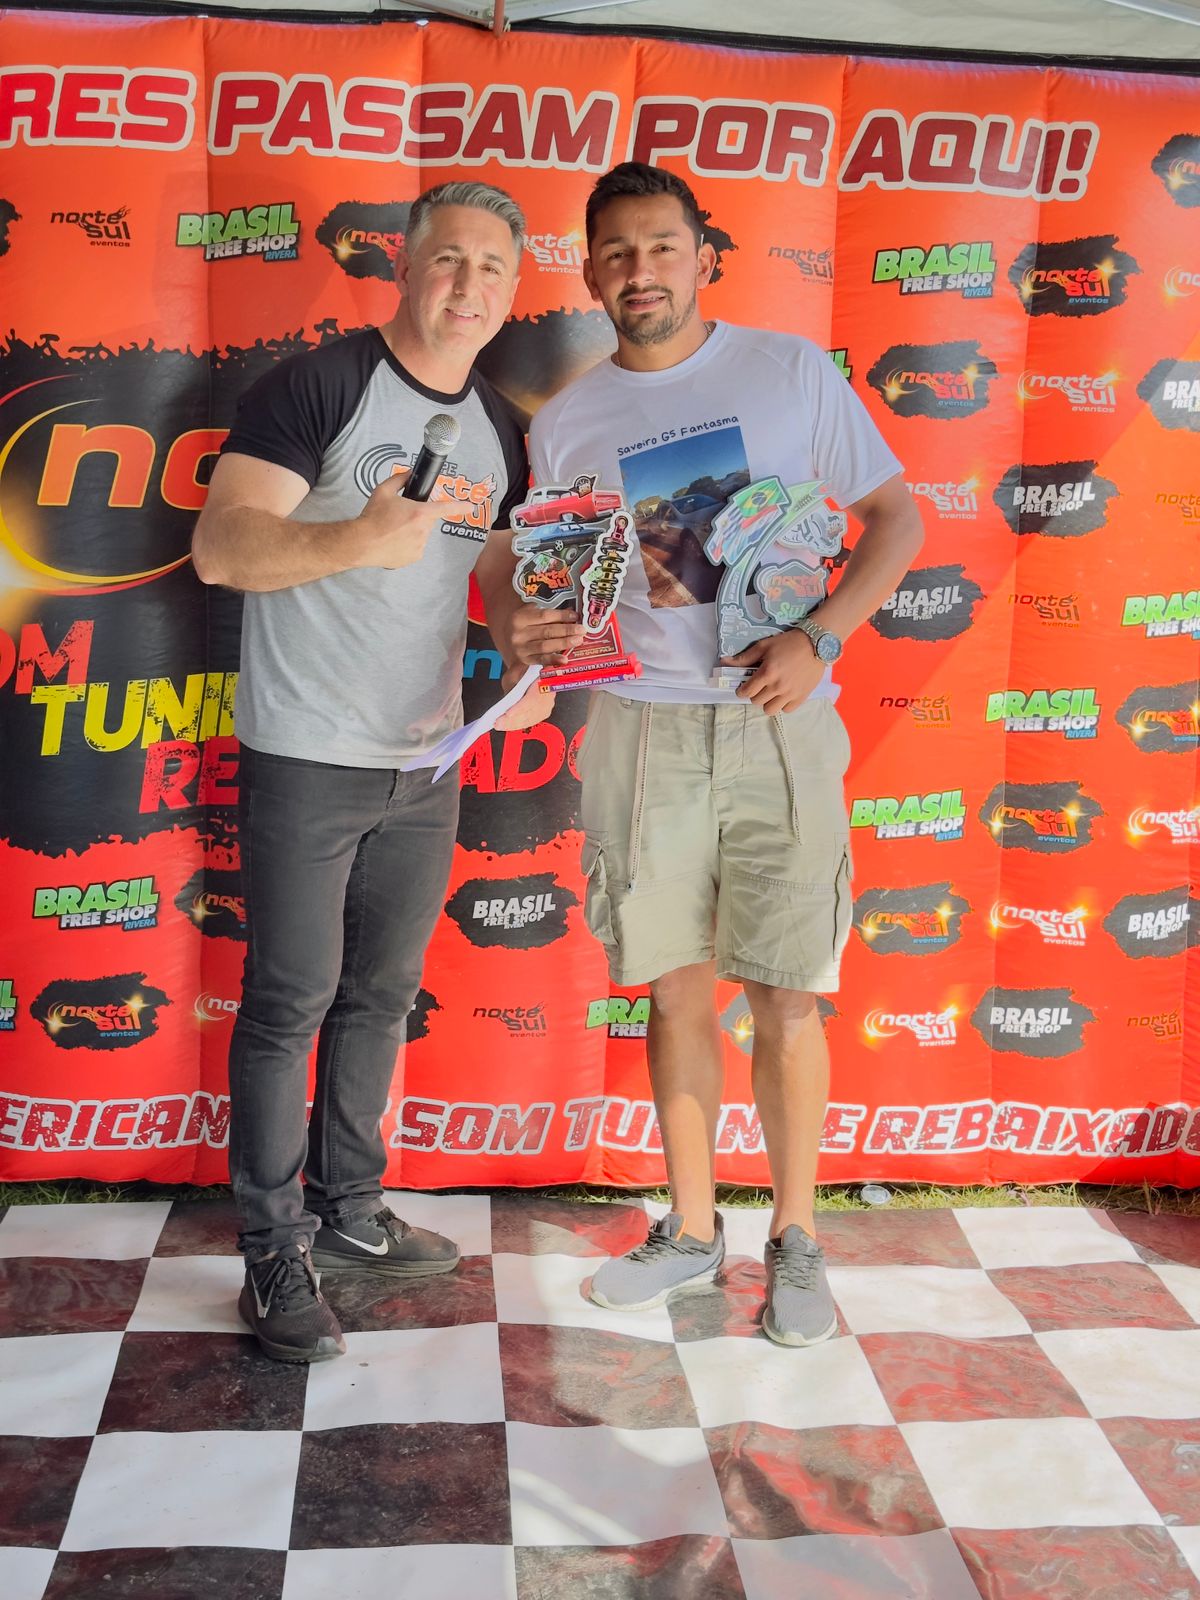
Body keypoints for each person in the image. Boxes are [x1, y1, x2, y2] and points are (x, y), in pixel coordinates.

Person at [479, 162, 923, 1347]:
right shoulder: (568, 421)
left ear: (703, 258)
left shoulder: (788, 370)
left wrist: (820, 638)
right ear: (590, 272)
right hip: (640, 729)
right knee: (674, 989)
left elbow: (898, 519)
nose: (641, 271)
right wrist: (532, 629)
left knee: (786, 994)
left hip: (779, 721)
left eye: (662, 247)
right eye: (617, 252)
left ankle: (796, 1237)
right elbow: (549, 578)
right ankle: (688, 1228)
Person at [192, 180, 554, 1364]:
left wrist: (523, 654)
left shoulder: (500, 425)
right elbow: (221, 547)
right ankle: (271, 1248)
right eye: (449, 259)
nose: (468, 286)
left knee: (381, 996)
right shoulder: (320, 385)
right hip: (307, 750)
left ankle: (350, 1207)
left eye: (492, 268)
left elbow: (491, 571)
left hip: (426, 757)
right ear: (404, 265)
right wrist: (357, 536)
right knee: (289, 1001)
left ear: (515, 290)